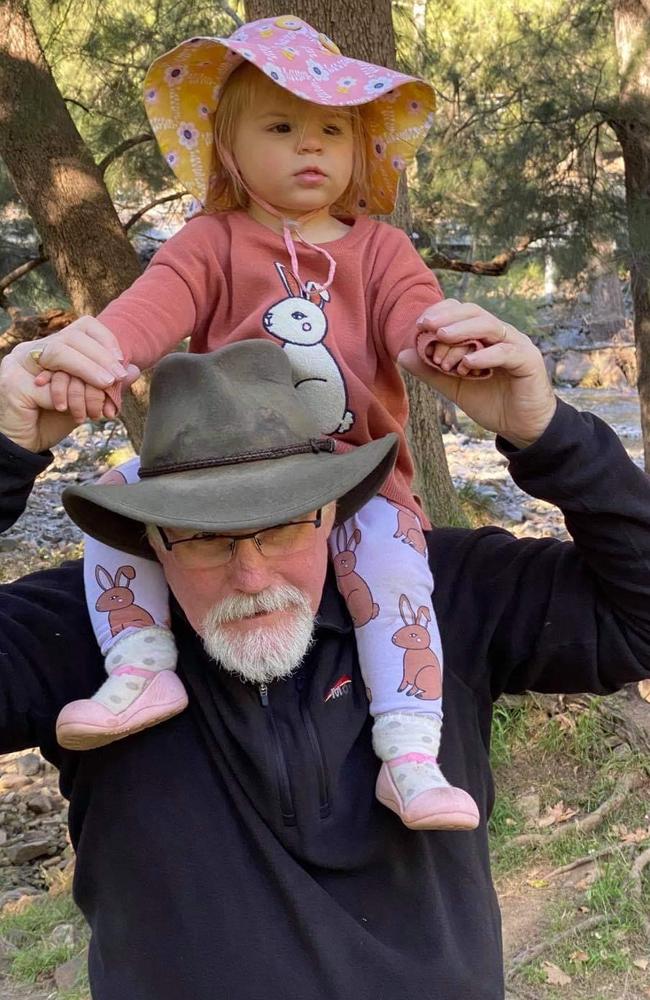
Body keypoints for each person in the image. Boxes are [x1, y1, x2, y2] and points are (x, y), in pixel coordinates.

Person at [0, 332, 648, 1000]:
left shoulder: (438, 594)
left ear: (332, 507)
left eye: (281, 525)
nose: (251, 575)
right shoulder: (83, 634)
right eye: (203, 536)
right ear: (151, 536)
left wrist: (548, 434)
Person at [17, 14, 501, 831]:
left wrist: (450, 347)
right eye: (281, 127)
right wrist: (94, 357)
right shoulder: (212, 242)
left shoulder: (380, 250)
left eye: (332, 130)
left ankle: (411, 750)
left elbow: (416, 324)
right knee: (111, 500)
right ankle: (141, 662)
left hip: (354, 467)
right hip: (228, 467)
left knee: (392, 571)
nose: (310, 146)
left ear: (359, 149)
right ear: (231, 152)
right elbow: (146, 315)